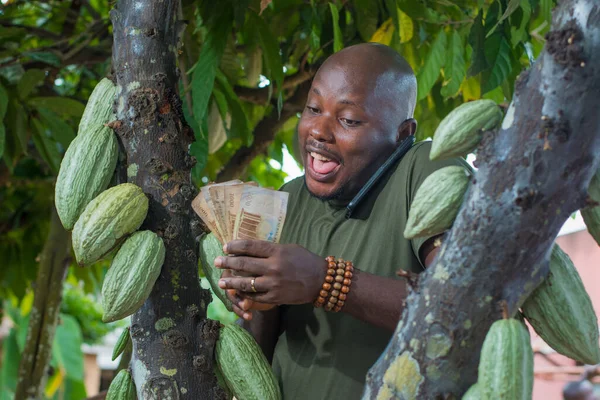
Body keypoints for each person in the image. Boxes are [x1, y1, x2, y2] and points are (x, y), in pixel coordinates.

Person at [214, 43, 470, 399]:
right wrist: (258, 295)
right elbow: (259, 354)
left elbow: (462, 305)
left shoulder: (428, 169)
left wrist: (324, 281)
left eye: (348, 120)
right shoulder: (289, 197)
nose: (318, 131)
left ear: (402, 133)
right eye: (313, 108)